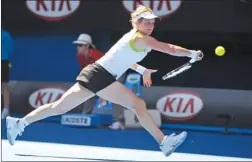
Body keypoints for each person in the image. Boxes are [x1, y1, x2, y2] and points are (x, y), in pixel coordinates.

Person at [6, 5, 203, 156]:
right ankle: (164, 142)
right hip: (100, 75)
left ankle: (19, 123)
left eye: (152, 22)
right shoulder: (142, 39)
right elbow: (170, 49)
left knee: (59, 107)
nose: (151, 25)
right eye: (146, 22)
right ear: (136, 22)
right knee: (138, 104)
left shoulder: (134, 38)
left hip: (96, 74)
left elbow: (122, 59)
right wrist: (192, 53)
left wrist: (142, 69)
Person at [2, 29, 13, 119]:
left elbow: (9, 49)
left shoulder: (5, 35)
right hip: (4, 61)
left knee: (4, 85)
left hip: (3, 62)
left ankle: (6, 110)